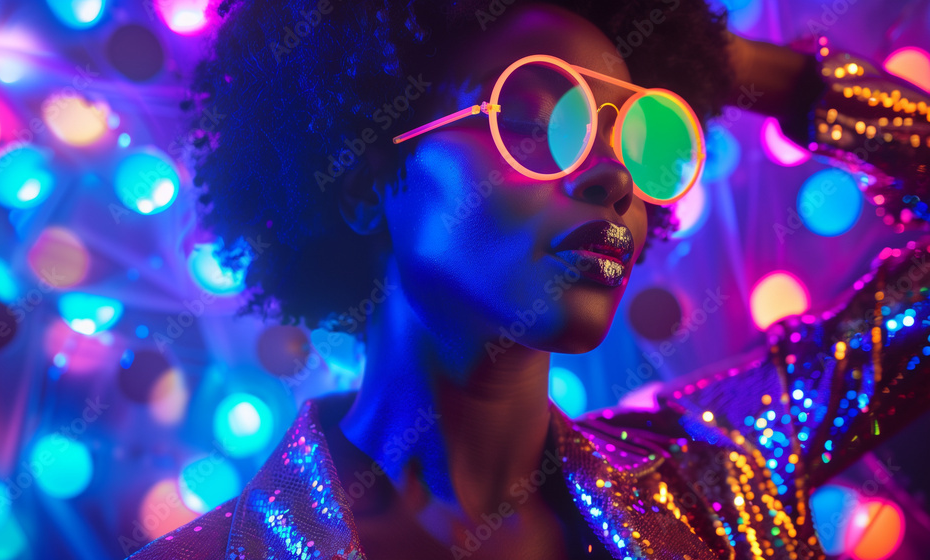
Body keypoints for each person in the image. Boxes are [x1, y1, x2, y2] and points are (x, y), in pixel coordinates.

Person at [128, 0, 930, 558]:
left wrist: (757, 75)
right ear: (364, 183)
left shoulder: (719, 480)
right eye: (542, 121)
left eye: (645, 139)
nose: (616, 177)